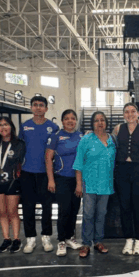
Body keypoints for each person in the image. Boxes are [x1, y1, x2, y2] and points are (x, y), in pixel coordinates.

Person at [20, 95, 59, 253]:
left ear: (46, 108)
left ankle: (46, 236)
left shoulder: (53, 127)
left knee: (47, 207)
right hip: (27, 172)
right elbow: (19, 149)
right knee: (28, 206)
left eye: (41, 105)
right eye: (35, 105)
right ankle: (30, 239)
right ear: (31, 108)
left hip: (45, 174)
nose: (38, 107)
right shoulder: (24, 126)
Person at [73, 111, 116, 258]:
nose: (100, 123)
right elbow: (78, 163)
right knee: (88, 214)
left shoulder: (111, 140)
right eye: (96, 120)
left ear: (106, 123)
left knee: (101, 214)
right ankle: (86, 243)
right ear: (92, 123)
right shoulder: (86, 140)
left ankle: (98, 241)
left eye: (102, 120)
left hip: (106, 184)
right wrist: (79, 184)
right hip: (89, 184)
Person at [112, 102, 139, 256]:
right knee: (124, 206)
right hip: (122, 170)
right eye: (127, 111)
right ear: (123, 114)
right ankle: (128, 239)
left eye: (133, 111)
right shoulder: (117, 129)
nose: (130, 114)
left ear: (138, 114)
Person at [46, 109, 83, 256]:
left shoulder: (81, 136)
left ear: (76, 121)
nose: (70, 121)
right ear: (62, 121)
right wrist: (51, 179)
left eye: (73, 118)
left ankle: (69, 237)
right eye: (67, 118)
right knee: (64, 210)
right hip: (61, 178)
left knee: (74, 209)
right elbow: (48, 158)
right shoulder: (56, 137)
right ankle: (61, 240)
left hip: (77, 179)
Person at [0, 116, 26, 253]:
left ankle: (16, 239)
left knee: (12, 211)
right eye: (0, 125)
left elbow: (22, 162)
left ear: (11, 126)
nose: (3, 127)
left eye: (6, 124)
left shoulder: (19, 144)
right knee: (2, 212)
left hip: (12, 182)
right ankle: (6, 239)